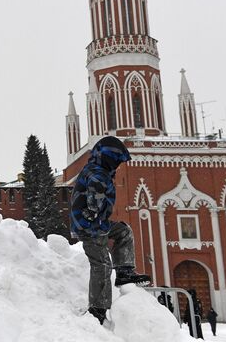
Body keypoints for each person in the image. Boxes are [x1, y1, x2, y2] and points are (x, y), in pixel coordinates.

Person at [70, 136, 151, 325]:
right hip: (89, 226)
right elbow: (95, 197)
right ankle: (97, 309)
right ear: (109, 158)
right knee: (102, 264)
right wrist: (91, 214)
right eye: (118, 161)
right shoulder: (98, 173)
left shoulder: (100, 171)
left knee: (123, 231)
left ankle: (124, 271)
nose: (119, 166)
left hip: (98, 224)